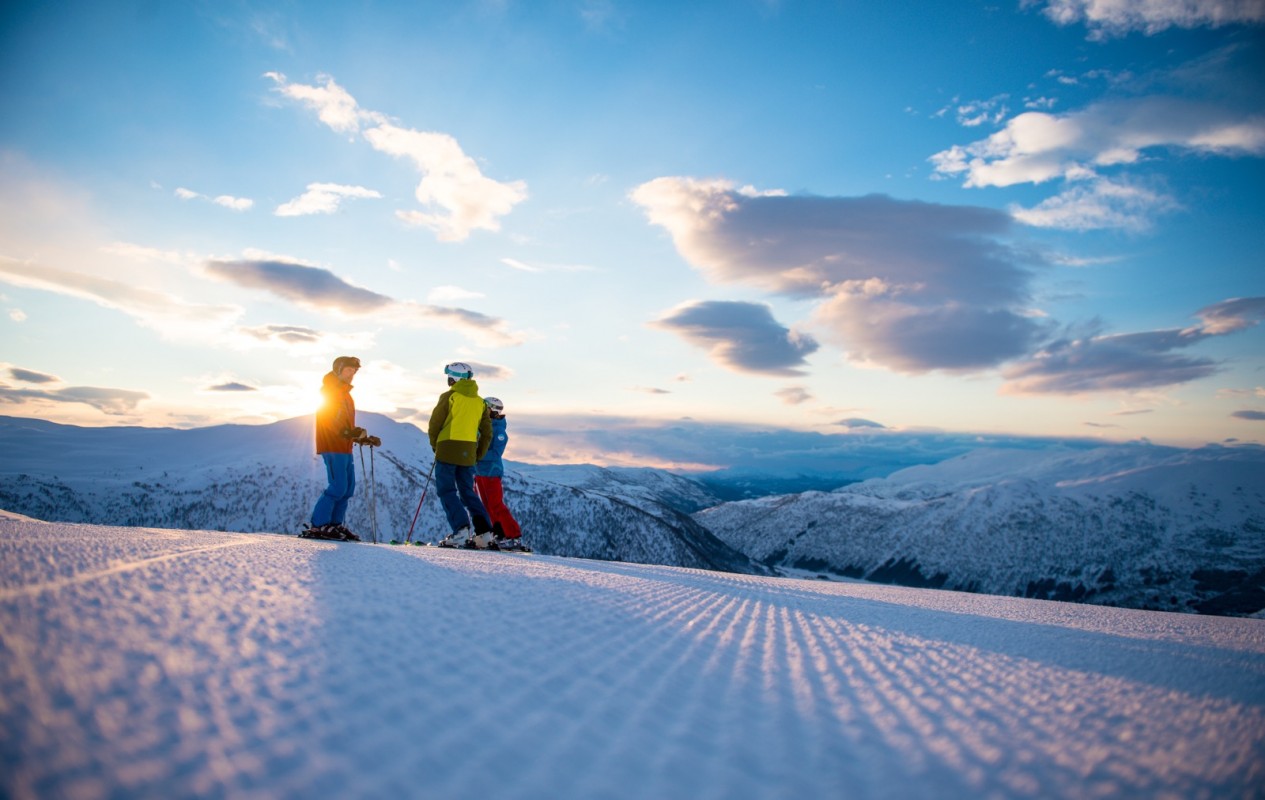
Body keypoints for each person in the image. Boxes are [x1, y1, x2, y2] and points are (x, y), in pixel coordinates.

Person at [304, 356, 375, 541]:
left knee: (348, 488)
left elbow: (343, 422)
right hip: (332, 444)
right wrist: (347, 432)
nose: (352, 374)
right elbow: (328, 418)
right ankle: (319, 525)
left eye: (354, 371)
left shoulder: (345, 393)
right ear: (339, 369)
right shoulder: (331, 390)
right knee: (338, 486)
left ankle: (334, 525)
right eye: (348, 370)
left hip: (344, 446)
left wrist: (359, 436)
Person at [428, 362, 495, 548]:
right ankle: (485, 533)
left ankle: (461, 530)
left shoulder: (449, 397)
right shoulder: (480, 402)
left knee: (446, 490)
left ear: (454, 378)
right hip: (468, 454)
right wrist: (477, 454)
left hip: (447, 449)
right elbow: (487, 432)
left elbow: (435, 424)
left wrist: (436, 446)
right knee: (467, 492)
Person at [475, 396, 527, 551]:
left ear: (493, 410)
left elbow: (495, 453)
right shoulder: (483, 427)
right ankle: (499, 534)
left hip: (491, 472)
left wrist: (477, 455)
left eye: (486, 408)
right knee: (487, 505)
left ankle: (514, 536)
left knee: (496, 504)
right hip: (480, 472)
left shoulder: (499, 431)